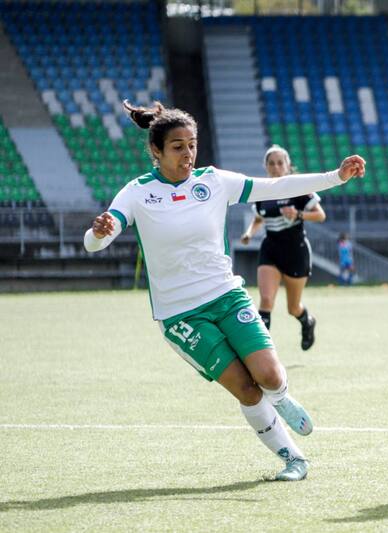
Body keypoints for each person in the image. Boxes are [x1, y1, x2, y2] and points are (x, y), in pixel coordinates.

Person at [84, 101, 365, 481]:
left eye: (192, 144)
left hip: (227, 296)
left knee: (269, 375)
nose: (188, 153)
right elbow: (99, 238)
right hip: (181, 315)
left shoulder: (213, 181)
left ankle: (282, 397)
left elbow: (276, 186)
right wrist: (98, 233)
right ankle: (293, 459)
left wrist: (336, 176)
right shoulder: (136, 193)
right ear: (157, 150)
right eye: (178, 146)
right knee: (247, 390)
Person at [241, 145, 324, 351]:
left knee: (293, 308)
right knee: (266, 300)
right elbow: (259, 218)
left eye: (280, 163)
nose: (276, 167)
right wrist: (249, 233)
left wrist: (297, 214)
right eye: (271, 163)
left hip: (296, 251)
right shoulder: (261, 190)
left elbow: (320, 215)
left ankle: (307, 322)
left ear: (288, 166)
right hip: (271, 249)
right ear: (266, 166)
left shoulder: (299, 188)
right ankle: (259, 353)